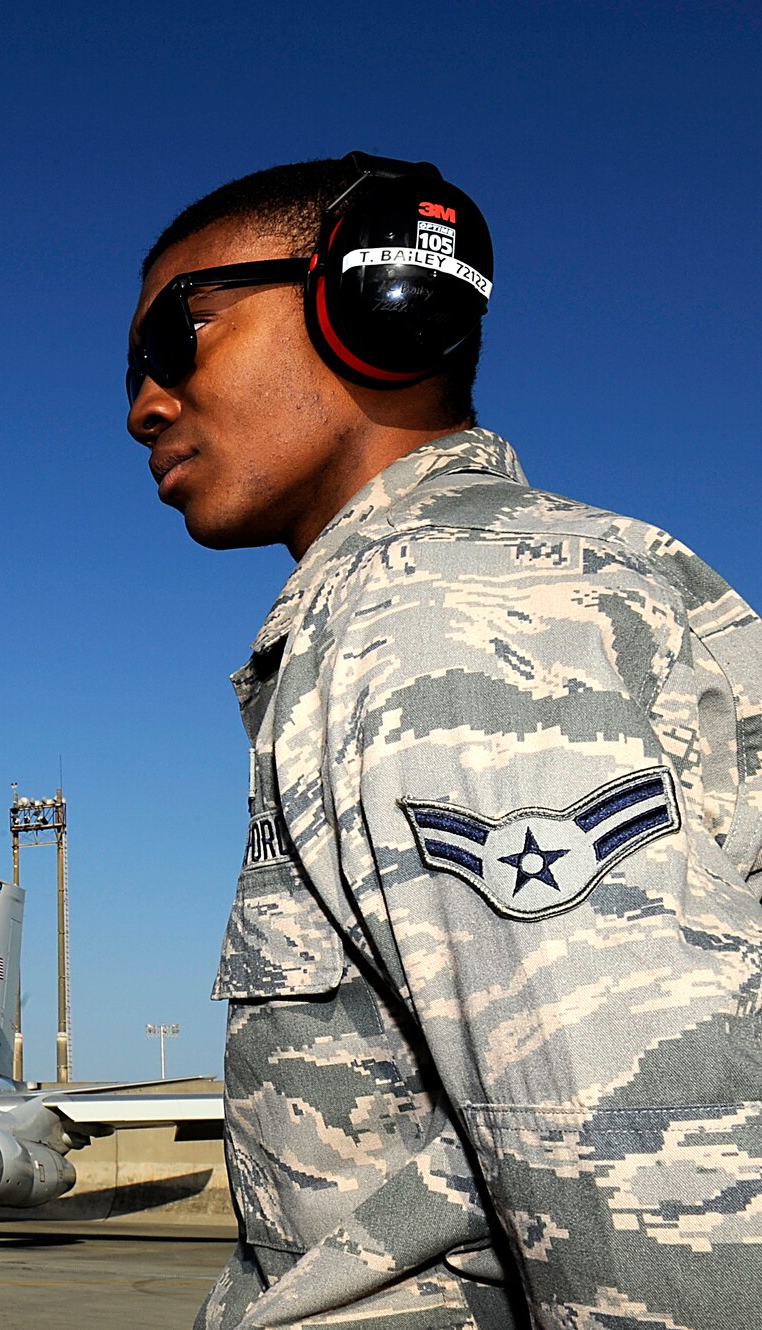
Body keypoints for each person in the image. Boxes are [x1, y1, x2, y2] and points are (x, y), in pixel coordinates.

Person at [126, 153, 762, 1329]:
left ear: (366, 299)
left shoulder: (442, 616)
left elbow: (650, 1173)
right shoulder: (541, 579)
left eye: (180, 335)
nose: (142, 404)